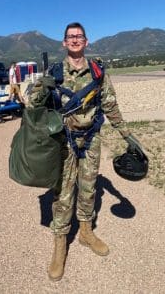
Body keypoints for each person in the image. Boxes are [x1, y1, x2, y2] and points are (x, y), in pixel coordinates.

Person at [28, 22, 129, 281]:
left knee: (88, 188)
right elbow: (33, 104)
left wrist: (126, 134)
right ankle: (60, 244)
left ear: (86, 41)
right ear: (64, 42)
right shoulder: (55, 71)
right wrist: (42, 87)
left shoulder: (97, 71)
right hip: (63, 141)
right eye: (70, 37)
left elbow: (110, 104)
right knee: (62, 191)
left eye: (79, 36)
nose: (75, 40)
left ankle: (85, 231)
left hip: (91, 139)